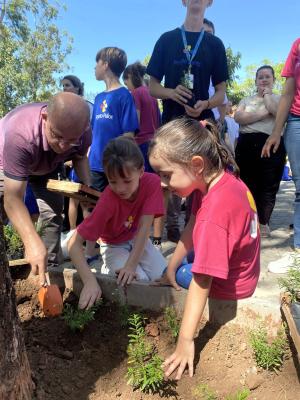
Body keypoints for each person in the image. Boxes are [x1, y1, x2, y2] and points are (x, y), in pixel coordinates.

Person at [149, 117, 260, 380]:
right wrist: (170, 265)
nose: (163, 183)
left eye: (166, 175)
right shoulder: (213, 180)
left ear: (196, 164)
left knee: (185, 272)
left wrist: (186, 339)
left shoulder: (214, 212)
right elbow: (192, 225)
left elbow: (203, 279)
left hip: (232, 284)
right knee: (179, 262)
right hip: (244, 266)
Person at [146, 0, 228, 242]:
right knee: (167, 180)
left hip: (201, 124)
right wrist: (171, 93)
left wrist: (206, 104)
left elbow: (221, 93)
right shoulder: (166, 39)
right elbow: (152, 87)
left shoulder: (215, 44)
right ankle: (167, 232)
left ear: (209, 2)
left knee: (202, 179)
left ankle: (199, 232)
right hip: (172, 123)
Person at [0, 92, 92, 285]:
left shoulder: (82, 133)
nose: (63, 145)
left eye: (71, 140)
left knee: (52, 215)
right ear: (45, 118)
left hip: (48, 166)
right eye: (57, 136)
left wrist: (88, 189)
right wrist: (31, 241)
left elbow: (79, 157)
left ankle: (47, 274)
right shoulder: (20, 135)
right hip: (8, 162)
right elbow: (12, 199)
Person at [68, 137, 167, 309]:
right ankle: (107, 268)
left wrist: (130, 265)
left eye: (127, 181)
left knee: (162, 276)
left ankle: (117, 268)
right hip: (113, 245)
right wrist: (90, 281)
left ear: (141, 171)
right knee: (138, 283)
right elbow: (73, 244)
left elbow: (144, 228)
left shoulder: (152, 183)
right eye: (113, 182)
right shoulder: (107, 200)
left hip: (138, 239)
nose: (120, 189)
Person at [262, 38, 300, 272]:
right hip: (297, 120)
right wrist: (276, 131)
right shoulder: (298, 45)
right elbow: (288, 93)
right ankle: (298, 250)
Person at [235, 65, 285, 238]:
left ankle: (263, 222)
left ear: (273, 80)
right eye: (260, 77)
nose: (263, 79)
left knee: (268, 185)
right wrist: (265, 113)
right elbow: (239, 118)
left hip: (271, 143)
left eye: (267, 77)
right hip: (246, 144)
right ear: (255, 81)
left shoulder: (279, 98)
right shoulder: (246, 100)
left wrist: (267, 96)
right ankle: (249, 220)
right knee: (247, 183)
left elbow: (278, 113)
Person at [123, 61, 164, 249]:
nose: (126, 84)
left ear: (131, 76)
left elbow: (135, 122)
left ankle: (140, 238)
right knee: (156, 190)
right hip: (155, 144)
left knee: (140, 191)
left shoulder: (136, 93)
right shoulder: (152, 95)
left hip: (141, 145)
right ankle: (156, 238)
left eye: (126, 80)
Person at [89, 47, 139, 193]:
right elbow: (94, 132)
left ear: (105, 64)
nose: (94, 67)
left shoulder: (125, 96)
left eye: (97, 62)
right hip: (94, 165)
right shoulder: (98, 98)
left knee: (115, 208)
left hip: (114, 166)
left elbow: (129, 135)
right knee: (92, 207)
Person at [61, 74, 94, 232]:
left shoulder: (87, 106)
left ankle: (87, 235)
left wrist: (87, 153)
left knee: (86, 199)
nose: (64, 89)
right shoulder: (62, 106)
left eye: (67, 85)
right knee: (73, 198)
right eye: (63, 86)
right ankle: (73, 232)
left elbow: (91, 132)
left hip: (85, 157)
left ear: (77, 87)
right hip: (71, 159)